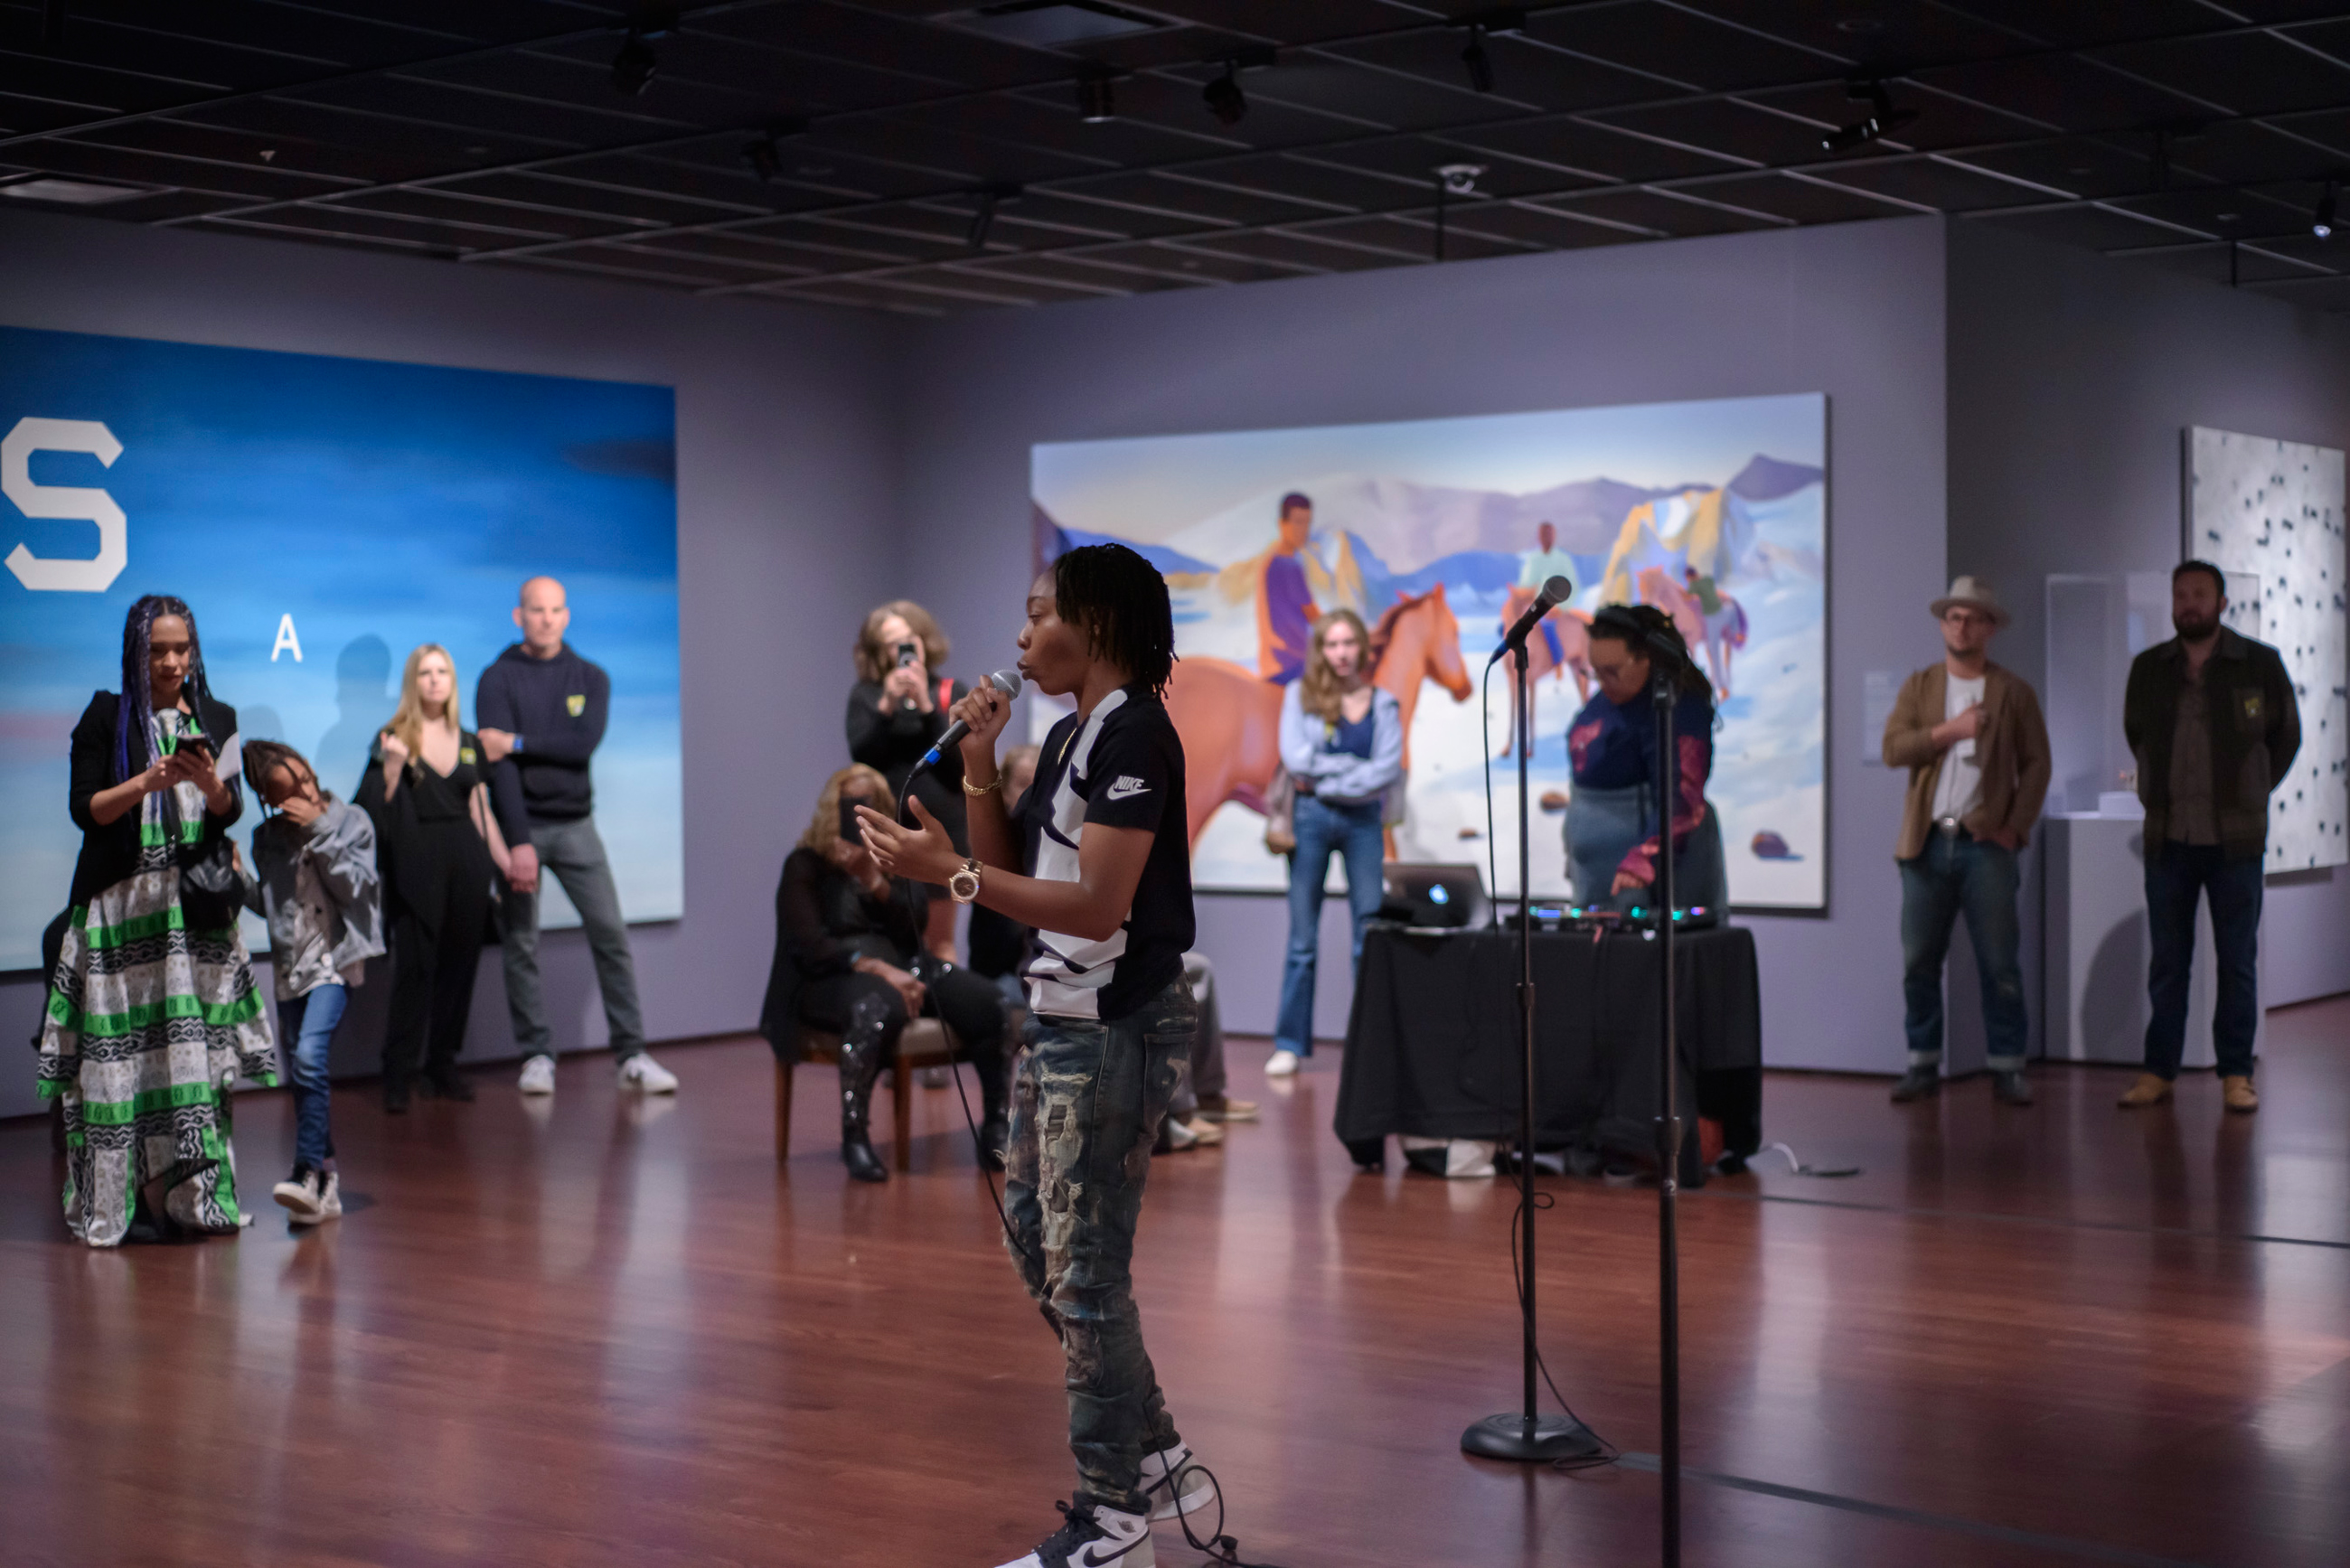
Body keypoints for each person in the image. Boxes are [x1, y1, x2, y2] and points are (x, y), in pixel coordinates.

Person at [860, 542, 1220, 1568]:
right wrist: (978, 766)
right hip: (1060, 1016)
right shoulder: (1068, 735)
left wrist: (950, 874)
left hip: (1115, 1024)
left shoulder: (1137, 734)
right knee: (1039, 1241)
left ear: (1094, 624)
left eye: (1036, 614)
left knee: (1086, 1271)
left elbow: (1097, 905)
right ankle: (1154, 1452)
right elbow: (1014, 868)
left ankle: (1113, 1518)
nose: (1017, 639)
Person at [39, 595, 277, 1246]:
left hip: (193, 917)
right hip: (121, 914)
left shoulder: (218, 717)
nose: (172, 662)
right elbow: (85, 809)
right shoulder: (106, 715)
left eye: (181, 649)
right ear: (135, 654)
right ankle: (124, 1200)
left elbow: (229, 812)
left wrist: (210, 785)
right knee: (122, 1065)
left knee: (192, 1063)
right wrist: (148, 781)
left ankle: (190, 1197)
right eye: (158, 651)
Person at [758, 764, 1011, 1182]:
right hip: (829, 977)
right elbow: (808, 944)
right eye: (849, 805)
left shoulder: (896, 863)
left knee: (991, 1004)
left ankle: (996, 1127)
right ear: (831, 809)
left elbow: (913, 927)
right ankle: (854, 1136)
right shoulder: (805, 864)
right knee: (876, 1006)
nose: (859, 813)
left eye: (870, 804)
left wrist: (873, 878)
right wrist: (875, 967)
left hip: (904, 968)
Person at [476, 576, 678, 1097]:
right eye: (536, 610)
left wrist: (516, 742)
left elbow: (581, 745)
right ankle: (536, 1055)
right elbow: (498, 768)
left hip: (576, 825)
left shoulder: (591, 677)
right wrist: (518, 841)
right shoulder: (496, 678)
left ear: (566, 616)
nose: (546, 619)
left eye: (555, 610)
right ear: (519, 616)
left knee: (611, 935)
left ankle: (632, 1054)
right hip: (523, 828)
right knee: (521, 943)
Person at [2118, 560, 2300, 1114]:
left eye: (2199, 594)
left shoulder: (2259, 663)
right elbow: (2136, 734)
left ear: (2222, 603)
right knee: (2168, 963)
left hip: (2235, 841)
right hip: (2169, 836)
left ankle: (2236, 1074)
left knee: (2237, 962)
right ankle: (2158, 1070)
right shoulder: (2150, 668)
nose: (2188, 604)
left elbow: (2286, 736)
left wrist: (2252, 790)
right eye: (2181, 595)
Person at [1879, 577, 2051, 1107]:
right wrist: (1949, 731)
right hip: (1926, 843)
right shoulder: (1921, 686)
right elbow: (1893, 749)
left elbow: (2038, 764)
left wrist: (2014, 827)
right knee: (1918, 962)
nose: (1962, 627)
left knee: (2000, 964)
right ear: (1942, 625)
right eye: (1954, 618)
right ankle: (1921, 1062)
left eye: (1974, 619)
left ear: (1990, 628)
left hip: (1986, 846)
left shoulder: (2013, 692)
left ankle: (2007, 1066)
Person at [242, 739, 386, 1223]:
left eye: (305, 778)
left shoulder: (352, 821)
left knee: (309, 1057)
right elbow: (270, 906)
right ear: (269, 799)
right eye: (288, 792)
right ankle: (325, 1182)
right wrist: (237, 878)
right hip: (291, 970)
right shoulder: (267, 838)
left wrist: (320, 831)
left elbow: (356, 890)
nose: (305, 793)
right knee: (304, 1077)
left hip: (335, 963)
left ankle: (305, 1170)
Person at [360, 644, 508, 1113]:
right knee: (415, 970)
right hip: (416, 863)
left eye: (442, 671)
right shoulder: (391, 737)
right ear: (413, 680)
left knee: (459, 969)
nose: (435, 679)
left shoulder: (468, 741)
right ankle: (397, 1071)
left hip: (467, 862)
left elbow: (481, 811)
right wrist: (393, 768)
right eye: (425, 672)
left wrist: (507, 864)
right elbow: (369, 812)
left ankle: (442, 1065)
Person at [1267, 609, 1404, 1078]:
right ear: (1321, 650)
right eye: (1332, 644)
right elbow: (1296, 759)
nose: (1341, 653)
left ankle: (1372, 1045)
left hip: (1364, 821)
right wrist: (1350, 771)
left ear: (1362, 647)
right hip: (1310, 818)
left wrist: (1331, 775)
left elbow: (1386, 768)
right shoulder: (1299, 695)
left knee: (1369, 933)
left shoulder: (1384, 703)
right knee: (1302, 939)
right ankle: (1289, 1044)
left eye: (1348, 643)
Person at [1563, 604, 1727, 914]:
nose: (1603, 681)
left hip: (1648, 882)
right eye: (1596, 672)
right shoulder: (1606, 700)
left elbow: (1681, 795)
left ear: (1645, 658)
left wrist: (1643, 859)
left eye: (1613, 671)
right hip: (1596, 879)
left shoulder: (1677, 707)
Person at [847, 600, 971, 957]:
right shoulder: (867, 694)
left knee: (940, 943)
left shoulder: (949, 691)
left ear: (923, 640)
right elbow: (862, 756)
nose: (901, 651)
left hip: (943, 832)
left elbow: (960, 766)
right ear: (878, 651)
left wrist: (928, 707)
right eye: (891, 644)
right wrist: (887, 705)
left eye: (907, 640)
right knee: (891, 942)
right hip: (887, 829)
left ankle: (943, 995)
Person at [1518, 521, 1578, 672]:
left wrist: (1561, 607)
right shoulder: (1533, 559)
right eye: (1543, 534)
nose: (1546, 537)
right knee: (1506, 627)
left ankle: (1556, 661)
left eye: (1549, 534)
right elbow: (1525, 585)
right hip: (1533, 606)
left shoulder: (1563, 559)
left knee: (1547, 626)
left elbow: (1573, 585)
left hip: (1554, 607)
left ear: (1554, 536)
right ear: (1538, 536)